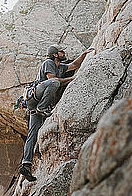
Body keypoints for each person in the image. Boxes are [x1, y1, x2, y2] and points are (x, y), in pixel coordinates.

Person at [18, 44, 95, 182]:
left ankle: (26, 164)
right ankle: (43, 108)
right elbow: (53, 80)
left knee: (33, 133)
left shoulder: (60, 66)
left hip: (34, 106)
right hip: (36, 97)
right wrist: (71, 79)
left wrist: (84, 54)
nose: (64, 53)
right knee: (54, 83)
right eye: (61, 51)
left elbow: (73, 65)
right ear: (55, 54)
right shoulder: (49, 63)